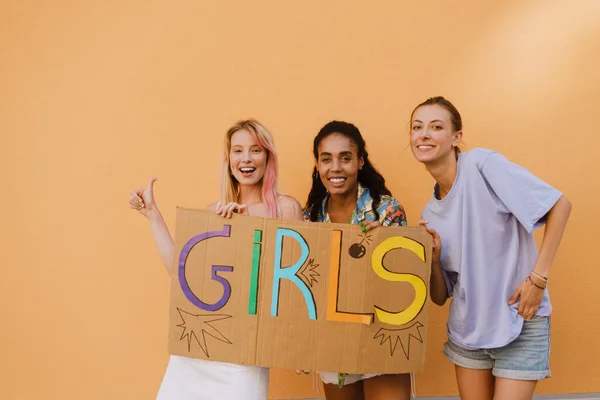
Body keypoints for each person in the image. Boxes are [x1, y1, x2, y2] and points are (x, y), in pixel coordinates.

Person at [410, 96, 571, 400]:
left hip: (519, 321)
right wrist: (432, 259)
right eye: (417, 127)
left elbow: (560, 206)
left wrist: (538, 279)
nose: (424, 134)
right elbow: (440, 296)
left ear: (457, 137)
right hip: (468, 333)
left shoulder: (483, 165)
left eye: (436, 127)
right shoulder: (430, 213)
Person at [129, 119, 304, 400]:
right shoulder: (215, 212)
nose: (246, 159)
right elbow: (182, 275)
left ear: (268, 157)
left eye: (255, 150)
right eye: (237, 151)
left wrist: (245, 227)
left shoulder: (286, 208)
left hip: (246, 354)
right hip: (198, 351)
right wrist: (152, 214)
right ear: (229, 159)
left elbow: (293, 284)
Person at [304, 120, 412, 400]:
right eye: (326, 159)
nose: (335, 168)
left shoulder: (386, 210)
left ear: (360, 161)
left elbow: (406, 285)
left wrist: (386, 243)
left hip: (381, 335)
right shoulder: (310, 218)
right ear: (317, 165)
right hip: (334, 341)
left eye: (345, 158)